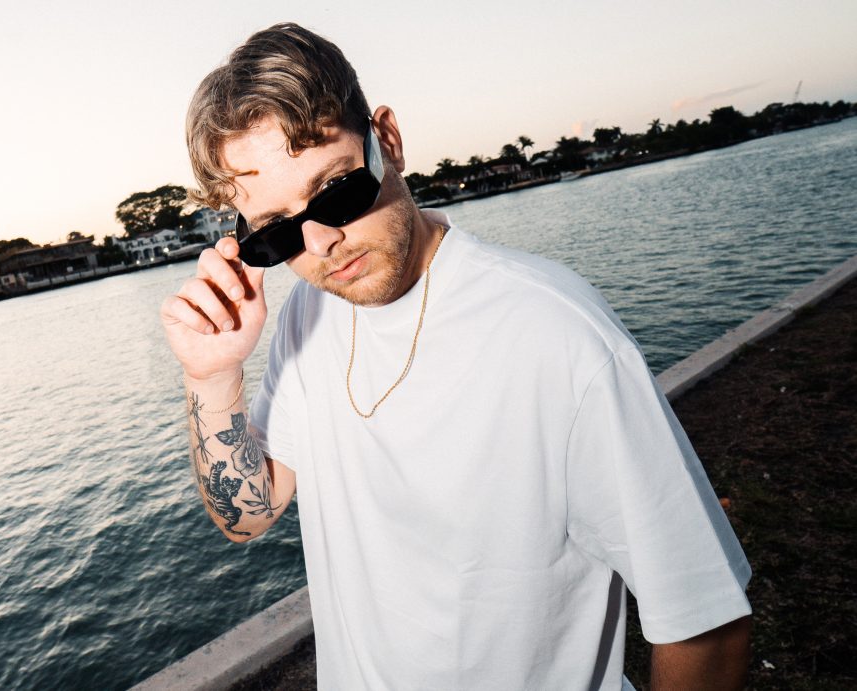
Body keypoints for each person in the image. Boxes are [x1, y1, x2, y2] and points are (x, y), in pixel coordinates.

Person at [161, 22, 752, 690]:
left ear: (387, 140)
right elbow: (248, 513)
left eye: (337, 190)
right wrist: (212, 375)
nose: (321, 242)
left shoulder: (553, 332)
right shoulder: (307, 312)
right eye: (278, 232)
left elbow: (706, 625)